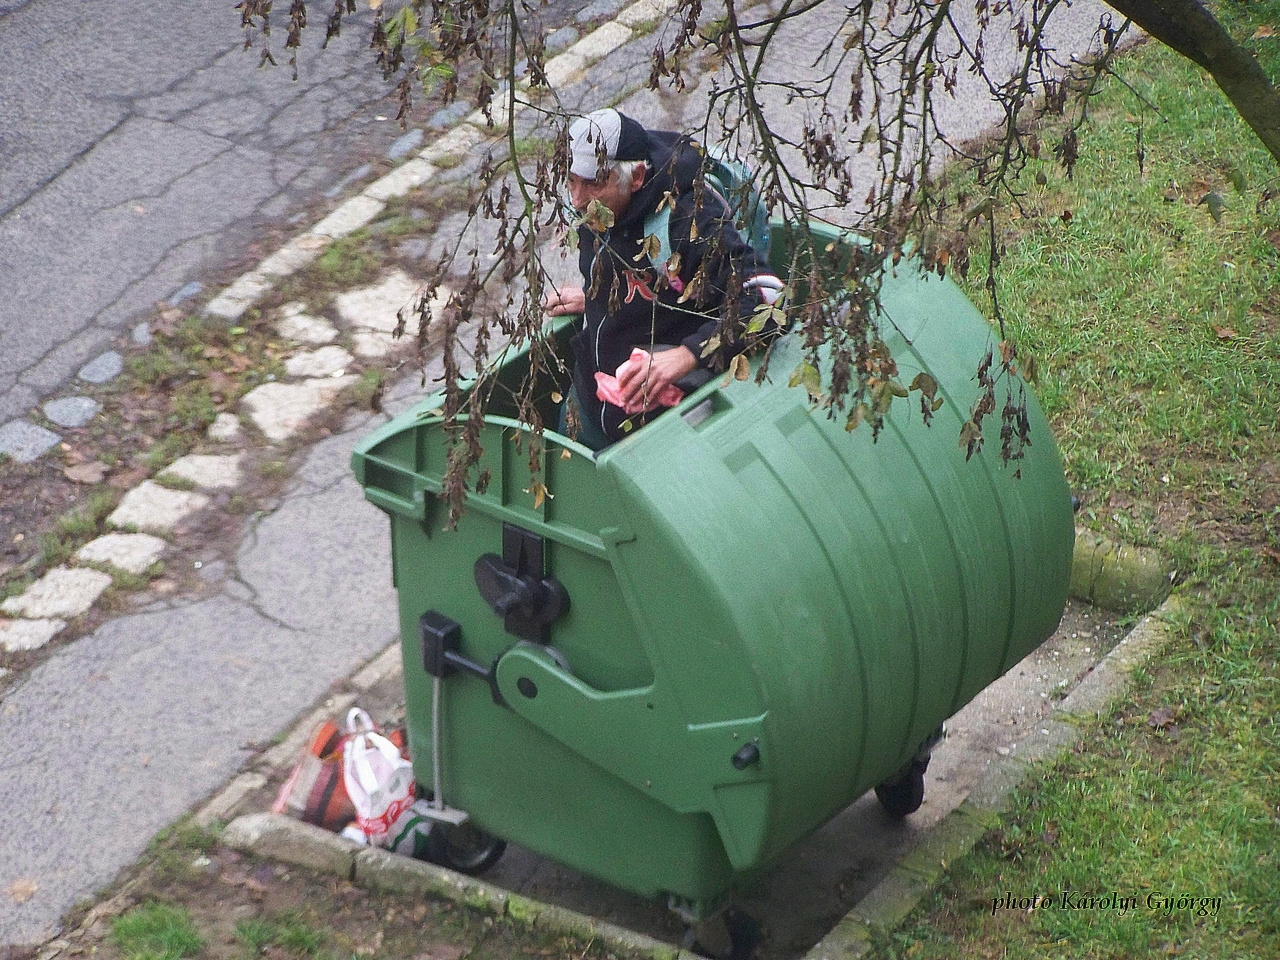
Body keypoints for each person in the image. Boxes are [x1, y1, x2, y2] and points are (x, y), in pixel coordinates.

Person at [543, 108, 782, 449]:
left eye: (594, 183)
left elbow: (767, 296)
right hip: (585, 409)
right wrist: (597, 294)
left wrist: (686, 356)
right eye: (571, 180)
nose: (577, 200)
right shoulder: (596, 210)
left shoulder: (689, 220)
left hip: (656, 435)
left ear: (636, 176)